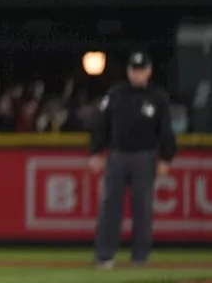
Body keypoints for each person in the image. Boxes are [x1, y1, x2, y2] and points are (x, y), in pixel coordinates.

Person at [89, 51, 177, 269]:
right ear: (128, 71)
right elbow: (101, 124)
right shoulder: (115, 93)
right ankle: (104, 255)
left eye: (141, 70)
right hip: (117, 154)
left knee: (143, 208)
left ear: (149, 71)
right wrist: (95, 151)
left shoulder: (158, 97)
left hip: (144, 156)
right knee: (110, 206)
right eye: (133, 70)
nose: (137, 74)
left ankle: (140, 256)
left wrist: (166, 157)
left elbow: (165, 130)